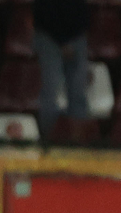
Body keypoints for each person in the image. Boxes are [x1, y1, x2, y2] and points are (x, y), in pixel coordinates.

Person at [33, 0, 89, 140]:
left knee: (78, 92)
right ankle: (49, 140)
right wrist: (63, 41)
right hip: (48, 37)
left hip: (77, 36)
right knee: (50, 92)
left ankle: (78, 139)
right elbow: (44, 10)